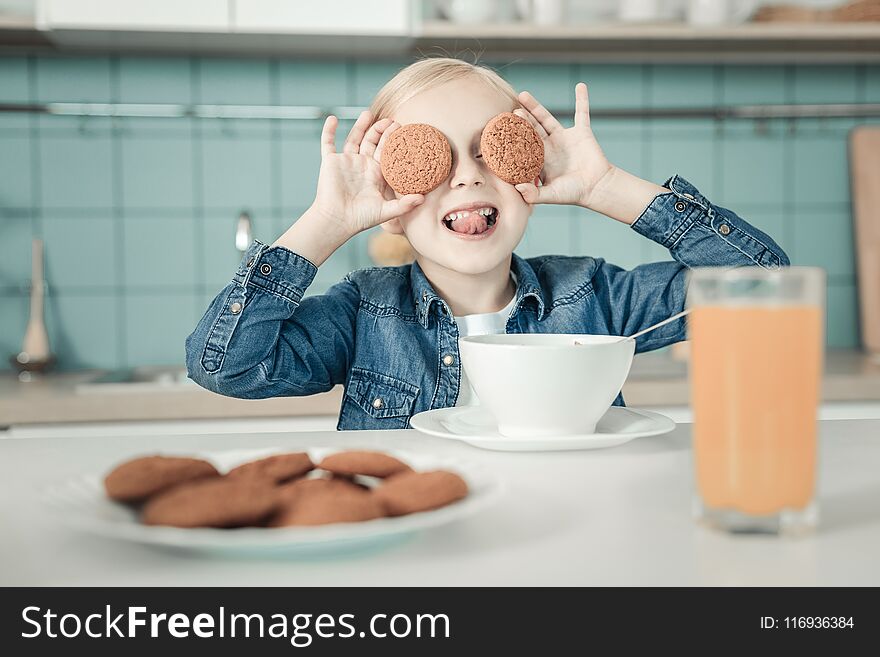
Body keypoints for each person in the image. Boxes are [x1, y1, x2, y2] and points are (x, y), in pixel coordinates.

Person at [185, 57, 789, 430]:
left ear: (527, 175)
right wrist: (329, 220)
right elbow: (224, 366)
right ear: (393, 205)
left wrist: (607, 187)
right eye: (434, 158)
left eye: (487, 148)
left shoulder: (593, 297)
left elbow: (763, 282)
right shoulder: (361, 315)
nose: (468, 176)